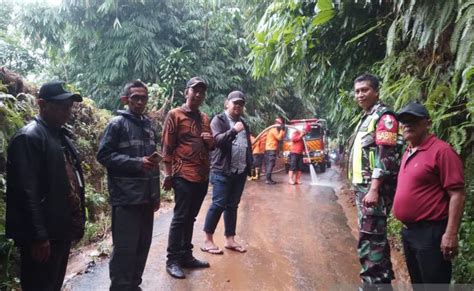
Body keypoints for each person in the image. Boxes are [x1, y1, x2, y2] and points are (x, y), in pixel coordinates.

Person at [6, 80, 86, 291]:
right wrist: (38, 236)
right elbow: (26, 192)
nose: (67, 111)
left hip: (60, 230)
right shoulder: (29, 137)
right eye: (61, 106)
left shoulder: (58, 135)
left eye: (69, 106)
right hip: (44, 236)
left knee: (53, 284)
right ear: (42, 104)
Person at [97, 80, 161, 290]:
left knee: (142, 246)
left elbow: (153, 164)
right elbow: (104, 155)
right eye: (135, 98)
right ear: (126, 100)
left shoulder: (149, 126)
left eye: (143, 97)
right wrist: (136, 163)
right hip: (125, 199)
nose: (140, 101)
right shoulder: (116, 124)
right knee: (125, 250)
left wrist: (156, 195)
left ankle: (134, 285)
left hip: (146, 199)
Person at [393, 102, 465, 287]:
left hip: (431, 234)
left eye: (413, 120)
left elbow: (457, 194)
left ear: (427, 123)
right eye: (404, 121)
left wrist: (450, 234)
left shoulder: (441, 151)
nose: (407, 124)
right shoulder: (408, 150)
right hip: (409, 232)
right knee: (418, 284)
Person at [348, 74, 403, 286]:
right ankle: (381, 282)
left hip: (374, 190)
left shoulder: (385, 118)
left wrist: (374, 189)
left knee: (369, 238)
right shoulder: (368, 117)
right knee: (375, 237)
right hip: (364, 188)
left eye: (365, 90)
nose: (360, 94)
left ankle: (371, 283)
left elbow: (386, 156)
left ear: (376, 92)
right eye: (357, 91)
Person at [161, 77, 215, 279]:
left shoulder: (204, 118)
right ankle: (172, 260)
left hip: (202, 176)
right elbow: (167, 146)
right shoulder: (175, 115)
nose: (198, 95)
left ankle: (186, 255)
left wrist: (211, 141)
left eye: (202, 92)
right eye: (195, 91)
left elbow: (211, 146)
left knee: (190, 218)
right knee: (180, 217)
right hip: (182, 173)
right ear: (186, 92)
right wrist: (168, 174)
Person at [201, 91, 252, 255]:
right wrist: (233, 131)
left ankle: (230, 239)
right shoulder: (219, 120)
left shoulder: (244, 123)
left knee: (232, 206)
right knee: (218, 205)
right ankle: (208, 240)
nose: (238, 106)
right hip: (222, 171)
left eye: (241, 103)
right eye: (235, 102)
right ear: (227, 103)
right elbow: (216, 142)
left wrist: (249, 164)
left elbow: (247, 146)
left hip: (239, 172)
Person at [264, 117, 285, 184]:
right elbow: (279, 138)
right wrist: (282, 130)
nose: (279, 124)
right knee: (270, 164)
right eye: (279, 123)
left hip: (269, 149)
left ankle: (268, 179)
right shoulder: (274, 129)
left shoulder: (272, 130)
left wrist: (282, 130)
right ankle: (268, 180)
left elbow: (281, 138)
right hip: (271, 149)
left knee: (270, 164)